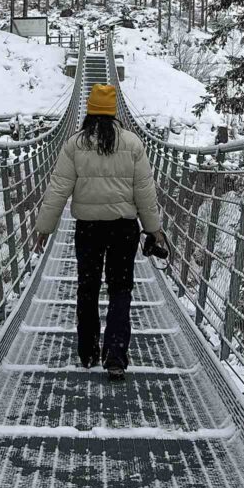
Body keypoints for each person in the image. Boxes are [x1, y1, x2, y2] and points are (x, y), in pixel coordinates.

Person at [34, 83, 163, 380]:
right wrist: (154, 230)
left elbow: (58, 188)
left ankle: (88, 352)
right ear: (114, 112)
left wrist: (44, 227)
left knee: (88, 288)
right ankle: (116, 356)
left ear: (90, 111)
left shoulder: (75, 144)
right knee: (120, 290)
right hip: (124, 229)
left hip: (89, 229)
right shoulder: (132, 144)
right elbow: (145, 192)